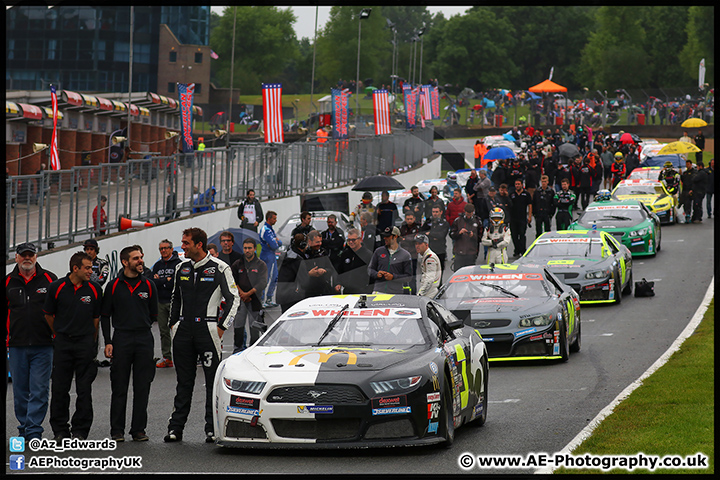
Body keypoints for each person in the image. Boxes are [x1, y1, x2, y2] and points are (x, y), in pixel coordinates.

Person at [165, 227, 240, 443]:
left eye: (186, 243)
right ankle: (175, 428)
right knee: (183, 382)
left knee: (212, 382)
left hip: (207, 331)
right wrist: (173, 325)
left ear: (199, 244)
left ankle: (212, 427)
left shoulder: (220, 267)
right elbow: (174, 299)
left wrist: (221, 327)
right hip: (183, 331)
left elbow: (233, 299)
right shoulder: (181, 268)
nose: (183, 246)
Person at [100, 245, 157, 442]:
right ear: (125, 262)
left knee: (143, 386)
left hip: (144, 339)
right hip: (121, 338)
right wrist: (108, 341)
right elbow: (105, 316)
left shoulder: (149, 285)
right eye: (135, 258)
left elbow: (153, 314)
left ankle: (138, 430)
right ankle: (117, 430)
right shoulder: (113, 286)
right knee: (119, 386)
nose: (140, 261)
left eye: (141, 257)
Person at [44, 251, 102, 442]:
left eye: (91, 268)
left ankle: (81, 430)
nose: (90, 271)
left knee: (84, 389)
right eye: (87, 268)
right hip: (63, 342)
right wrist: (59, 333)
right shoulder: (56, 287)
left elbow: (96, 319)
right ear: (75, 268)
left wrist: (91, 341)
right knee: (60, 388)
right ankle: (60, 430)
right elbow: (48, 315)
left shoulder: (94, 289)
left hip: (85, 342)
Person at [7, 242, 58, 440]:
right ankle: (24, 426)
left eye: (31, 255)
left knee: (39, 389)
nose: (27, 258)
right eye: (23, 255)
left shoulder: (49, 279)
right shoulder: (7, 282)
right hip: (17, 345)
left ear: (36, 257)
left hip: (44, 345)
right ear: (17, 257)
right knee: (20, 392)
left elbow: (58, 310)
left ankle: (34, 430)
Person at [230, 238, 268, 353]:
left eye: (250, 248)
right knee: (238, 326)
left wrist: (249, 293)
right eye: (245, 248)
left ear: (254, 249)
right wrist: (242, 293)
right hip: (241, 300)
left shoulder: (261, 265)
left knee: (254, 327)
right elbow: (232, 281)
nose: (247, 250)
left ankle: (254, 350)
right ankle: (238, 349)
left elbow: (263, 282)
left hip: (255, 299)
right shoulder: (237, 264)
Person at [152, 239, 182, 369]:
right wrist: (166, 280)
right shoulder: (157, 265)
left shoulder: (178, 264)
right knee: (163, 331)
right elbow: (153, 282)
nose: (163, 251)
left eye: (165, 248)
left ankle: (181, 357)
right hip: (160, 301)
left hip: (174, 301)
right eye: (161, 249)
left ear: (171, 249)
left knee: (177, 331)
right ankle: (167, 357)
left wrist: (162, 281)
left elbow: (176, 282)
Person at [367, 226, 413, 294]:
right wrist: (377, 274)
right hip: (379, 291)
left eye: (387, 236)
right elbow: (370, 269)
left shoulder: (405, 255)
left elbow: (408, 277)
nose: (385, 238)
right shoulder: (378, 251)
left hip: (395, 293)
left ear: (395, 237)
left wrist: (393, 277)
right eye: (384, 236)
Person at [296, 230, 338, 298]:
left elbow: (331, 269)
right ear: (310, 241)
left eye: (321, 241)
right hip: (307, 292)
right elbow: (296, 275)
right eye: (317, 242)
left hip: (323, 290)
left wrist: (324, 271)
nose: (320, 244)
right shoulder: (303, 255)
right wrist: (309, 274)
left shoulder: (323, 253)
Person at [334, 228, 373, 294]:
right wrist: (338, 283)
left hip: (362, 292)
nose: (351, 242)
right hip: (347, 291)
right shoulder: (345, 254)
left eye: (353, 240)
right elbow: (340, 271)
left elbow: (372, 275)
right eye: (349, 240)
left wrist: (369, 290)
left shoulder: (368, 255)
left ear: (360, 239)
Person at [277, 233, 308, 313]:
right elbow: (304, 282)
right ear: (303, 245)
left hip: (282, 295)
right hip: (293, 297)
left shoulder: (287, 255)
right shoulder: (298, 260)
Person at [259, 211, 282, 307]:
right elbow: (274, 245)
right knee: (266, 277)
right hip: (267, 255)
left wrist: (276, 242)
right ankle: (262, 300)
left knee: (275, 277)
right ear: (269, 219)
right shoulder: (266, 230)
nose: (276, 220)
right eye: (274, 218)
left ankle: (269, 299)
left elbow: (279, 243)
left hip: (271, 255)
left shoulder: (270, 229)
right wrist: (276, 243)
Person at [450, 203, 481, 270]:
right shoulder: (458, 221)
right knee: (458, 274)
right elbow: (452, 235)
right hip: (459, 252)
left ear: (473, 212)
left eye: (470, 214)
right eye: (467, 213)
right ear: (464, 211)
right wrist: (459, 233)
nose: (469, 216)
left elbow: (481, 237)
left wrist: (473, 236)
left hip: (471, 252)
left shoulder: (478, 221)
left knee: (470, 274)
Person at [421, 205, 450, 275]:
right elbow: (422, 232)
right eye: (433, 212)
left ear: (441, 212)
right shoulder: (428, 222)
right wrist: (433, 235)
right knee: (429, 271)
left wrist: (430, 233)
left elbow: (441, 235)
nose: (435, 213)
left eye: (437, 212)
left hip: (440, 250)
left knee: (439, 271)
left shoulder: (444, 223)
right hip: (430, 249)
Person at [509, 179, 533, 257]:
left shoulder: (526, 194)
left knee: (522, 234)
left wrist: (529, 216)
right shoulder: (512, 194)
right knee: (514, 235)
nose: (517, 185)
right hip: (513, 218)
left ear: (522, 185)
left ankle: (523, 250)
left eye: (519, 184)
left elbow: (530, 205)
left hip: (522, 218)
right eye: (516, 184)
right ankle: (517, 250)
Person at [399, 212, 422, 292]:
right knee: (404, 276)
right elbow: (400, 239)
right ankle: (405, 293)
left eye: (411, 219)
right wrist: (408, 239)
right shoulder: (403, 226)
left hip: (413, 255)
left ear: (414, 219)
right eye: (408, 219)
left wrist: (405, 239)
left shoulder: (417, 226)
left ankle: (413, 293)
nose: (409, 221)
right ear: (405, 219)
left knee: (413, 277)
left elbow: (416, 239)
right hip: (404, 255)